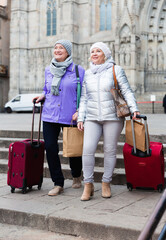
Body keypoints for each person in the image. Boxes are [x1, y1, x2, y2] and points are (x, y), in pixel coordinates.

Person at [77, 42, 140, 201]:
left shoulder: (115, 69)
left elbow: (126, 90)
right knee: (87, 149)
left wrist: (134, 109)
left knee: (110, 150)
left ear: (105, 54)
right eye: (92, 51)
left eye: (98, 51)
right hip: (92, 117)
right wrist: (81, 117)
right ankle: (88, 184)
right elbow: (84, 98)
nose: (95, 53)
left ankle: (106, 182)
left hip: (112, 117)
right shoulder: (88, 73)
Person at [34, 39, 85, 196]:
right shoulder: (48, 70)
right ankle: (58, 183)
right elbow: (46, 88)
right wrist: (42, 95)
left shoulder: (78, 70)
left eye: (61, 48)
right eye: (55, 48)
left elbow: (84, 93)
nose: (57, 50)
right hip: (49, 114)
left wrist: (80, 111)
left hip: (70, 115)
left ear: (68, 52)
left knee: (73, 148)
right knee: (50, 147)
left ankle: (76, 175)